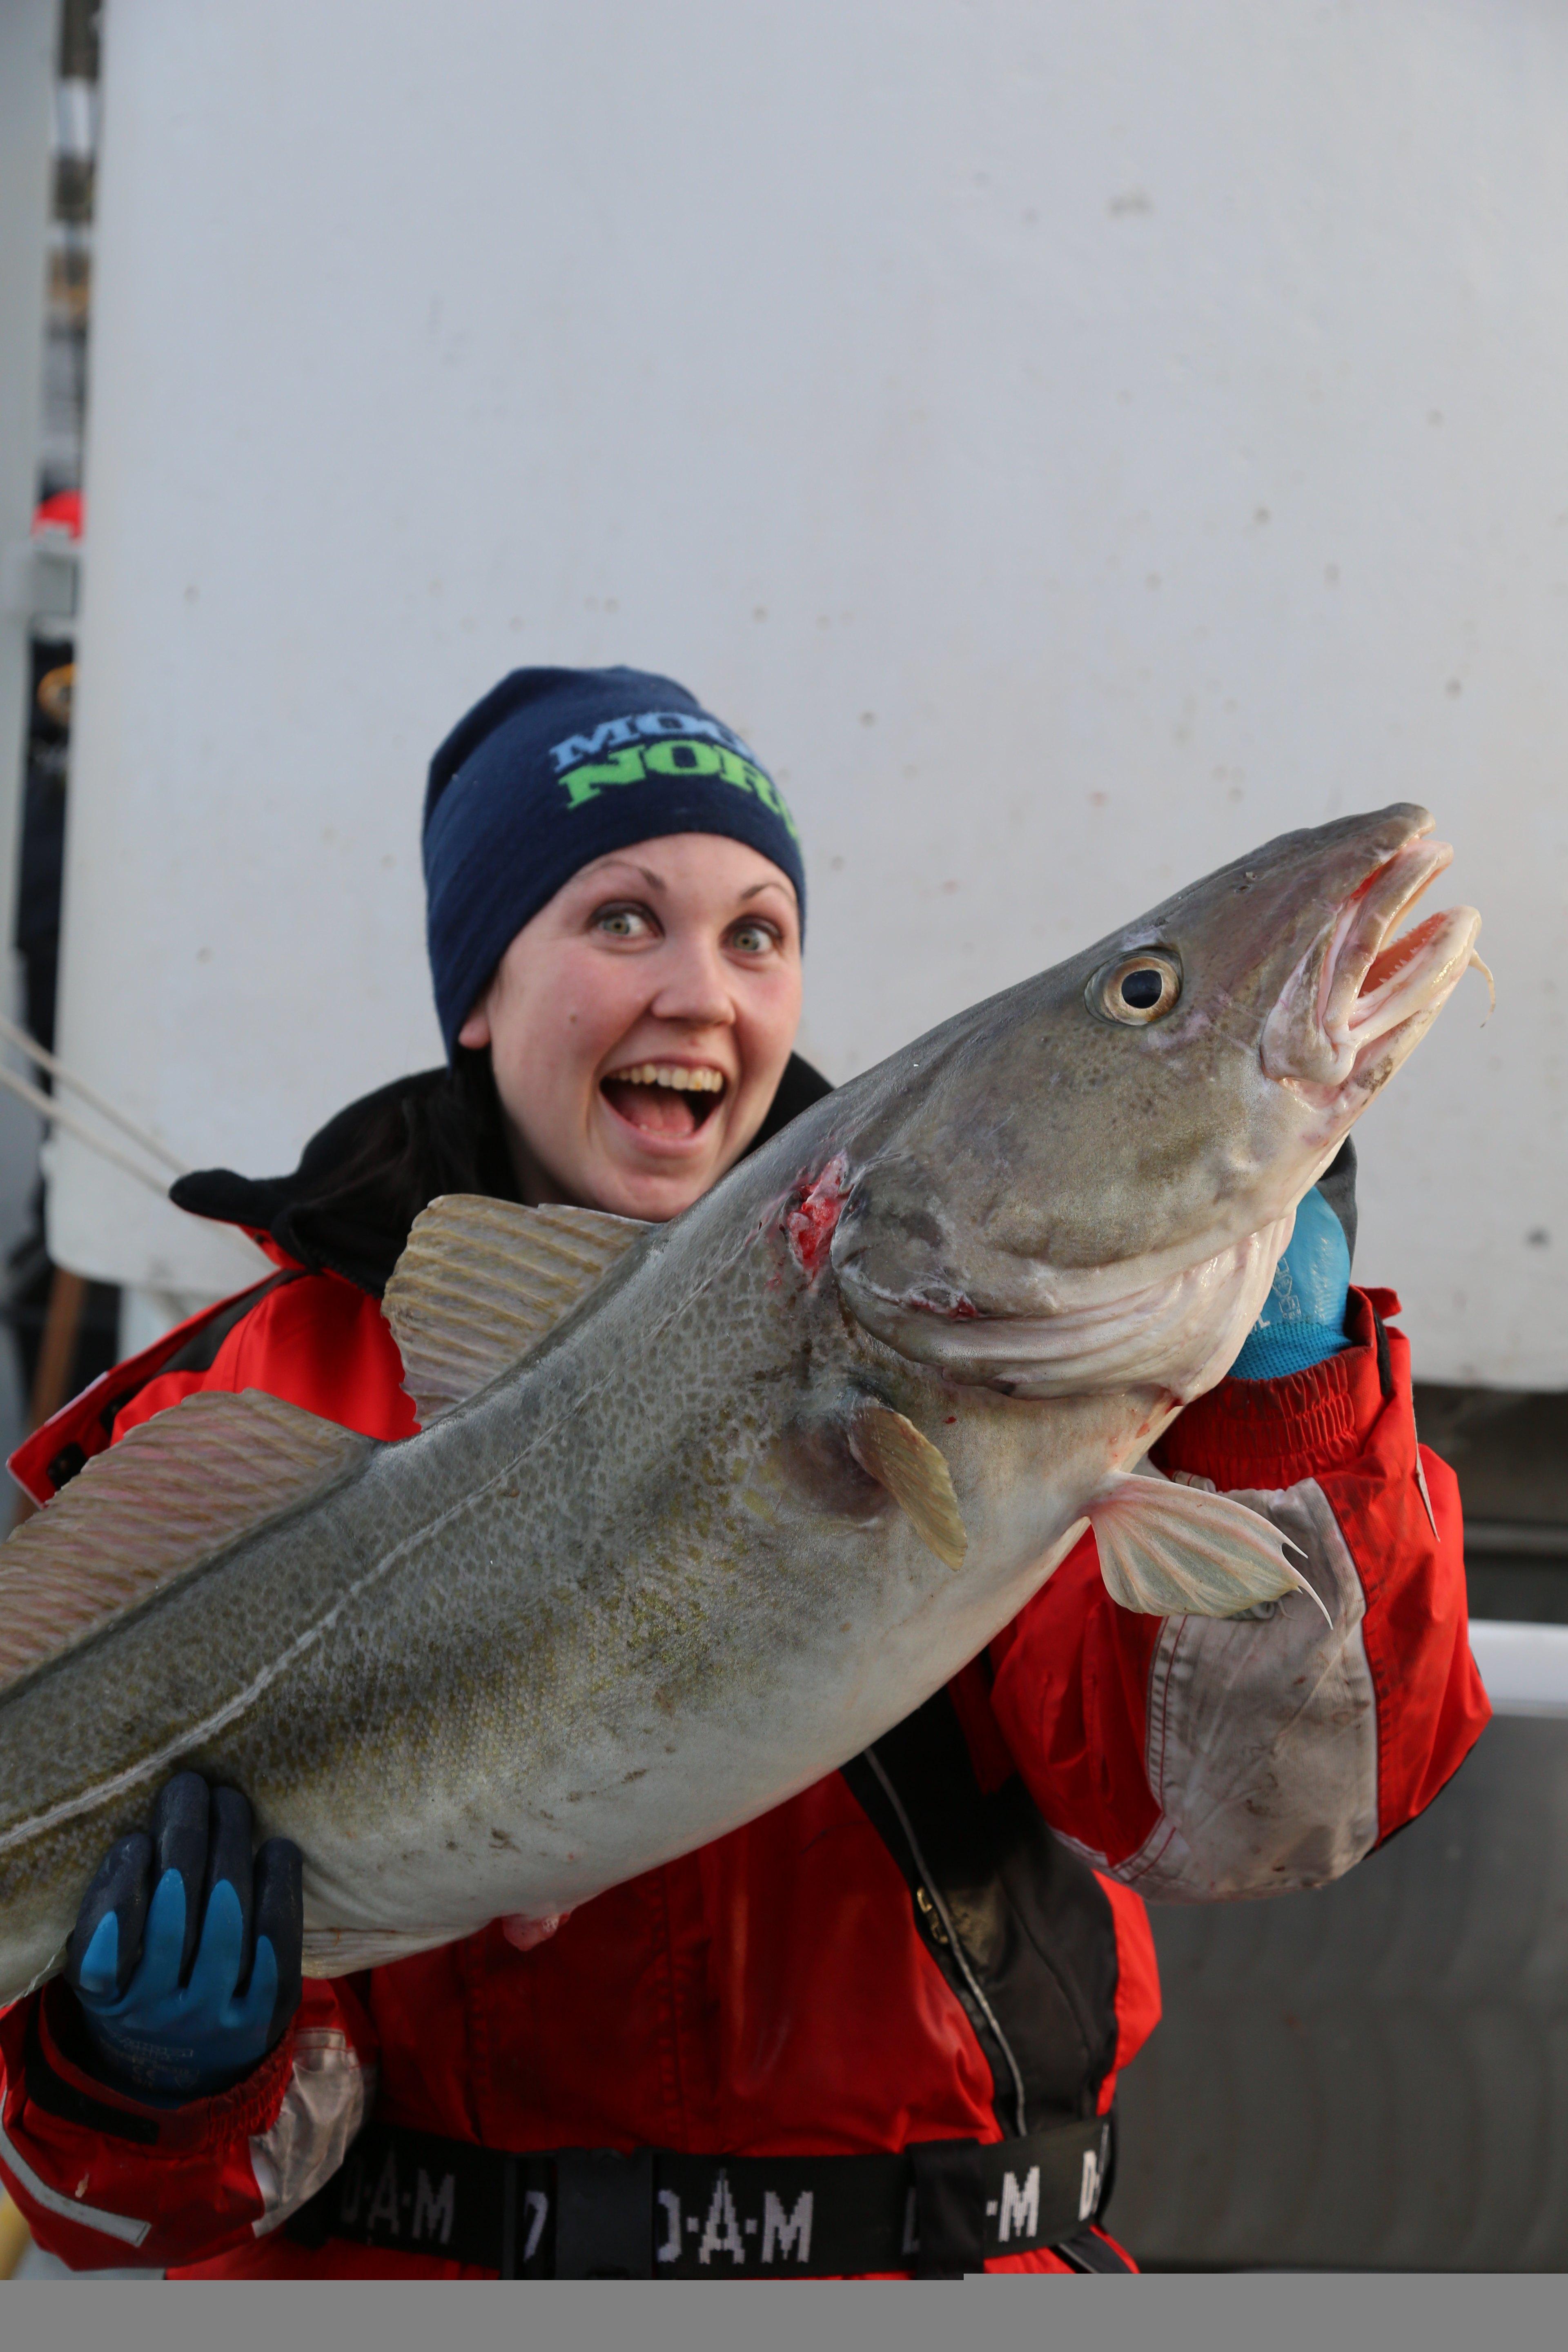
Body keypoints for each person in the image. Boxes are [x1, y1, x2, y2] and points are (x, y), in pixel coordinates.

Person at [0, 666, 1489, 2277]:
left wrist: (1284, 1415)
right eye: (621, 920)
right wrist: (143, 2082)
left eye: (757, 931)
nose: (700, 993)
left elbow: (1248, 1823)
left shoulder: (1035, 1377)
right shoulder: (248, 1389)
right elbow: (119, 2217)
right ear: (483, 991)